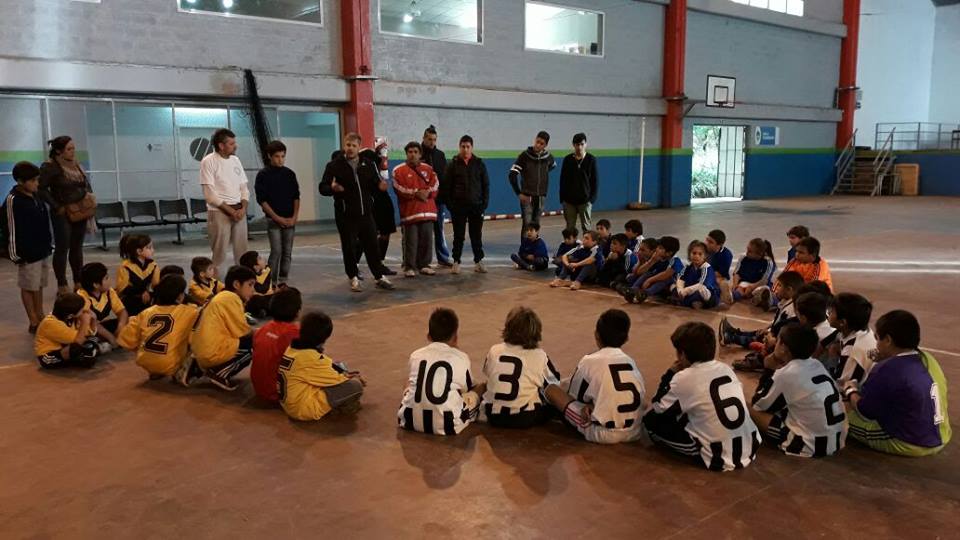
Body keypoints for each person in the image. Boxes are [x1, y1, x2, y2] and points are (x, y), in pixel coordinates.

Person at [643, 322, 761, 471]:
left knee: (651, 422)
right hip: (750, 444)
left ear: (683, 355)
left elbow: (658, 408)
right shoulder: (725, 369)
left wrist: (670, 373)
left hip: (717, 454)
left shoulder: (684, 377)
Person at [845, 310, 951, 456]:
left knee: (839, 413)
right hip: (942, 435)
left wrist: (851, 390)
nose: (876, 344)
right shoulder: (928, 358)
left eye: (878, 339)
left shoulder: (886, 369)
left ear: (888, 340)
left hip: (912, 442)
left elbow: (865, 411)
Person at [545, 309, 645, 444]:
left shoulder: (589, 361)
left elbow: (573, 396)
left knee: (552, 390)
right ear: (626, 338)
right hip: (635, 431)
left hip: (603, 433)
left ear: (596, 335)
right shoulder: (630, 362)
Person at [750, 323, 847, 457]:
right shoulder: (816, 364)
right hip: (836, 439)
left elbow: (759, 404)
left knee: (749, 408)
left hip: (809, 445)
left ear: (783, 347)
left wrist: (768, 370)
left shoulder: (787, 374)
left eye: (777, 341)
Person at [319, 132, 395, 292]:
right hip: (346, 216)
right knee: (349, 247)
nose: (350, 148)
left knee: (373, 246)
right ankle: (353, 276)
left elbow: (375, 184)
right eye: (348, 145)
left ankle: (379, 276)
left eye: (354, 145)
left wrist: (380, 186)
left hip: (366, 215)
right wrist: (332, 188)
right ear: (344, 145)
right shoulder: (334, 166)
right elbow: (322, 187)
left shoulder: (367, 164)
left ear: (359, 147)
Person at [398, 308, 486, 435]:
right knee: (479, 389)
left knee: (409, 383)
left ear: (428, 336)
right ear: (455, 337)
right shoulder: (461, 357)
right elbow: (467, 388)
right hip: (448, 424)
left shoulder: (415, 355)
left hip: (409, 420)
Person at [278, 311, 366, 421]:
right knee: (355, 386)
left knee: (338, 366)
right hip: (302, 409)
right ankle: (341, 407)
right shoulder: (311, 358)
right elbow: (339, 380)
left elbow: (325, 364)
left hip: (291, 403)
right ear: (324, 338)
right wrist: (352, 376)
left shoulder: (292, 348)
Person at [483, 306, 561, 428]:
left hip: (493, 416)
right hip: (524, 417)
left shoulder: (494, 350)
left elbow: (488, 372)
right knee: (552, 397)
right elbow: (554, 383)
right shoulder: (539, 355)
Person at [118, 275, 200, 382]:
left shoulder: (146, 312)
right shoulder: (190, 311)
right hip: (172, 363)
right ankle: (180, 370)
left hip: (145, 362)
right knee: (198, 333)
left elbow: (125, 341)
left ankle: (156, 368)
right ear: (180, 297)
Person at [38, 136, 93, 294]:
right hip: (62, 213)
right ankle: (62, 284)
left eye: (73, 148)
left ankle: (78, 281)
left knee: (77, 248)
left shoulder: (76, 166)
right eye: (69, 149)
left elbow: (84, 184)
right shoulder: (50, 167)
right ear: (58, 151)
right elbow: (41, 189)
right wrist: (56, 206)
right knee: (63, 248)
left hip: (79, 210)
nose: (72, 152)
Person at [189, 265, 257, 391]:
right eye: (250, 285)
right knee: (252, 345)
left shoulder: (223, 296)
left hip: (200, 349)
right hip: (210, 351)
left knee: (248, 340)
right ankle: (219, 374)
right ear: (237, 284)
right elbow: (244, 332)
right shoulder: (230, 298)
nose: (253, 290)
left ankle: (200, 367)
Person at [5, 161, 53, 333]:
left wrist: (48, 244)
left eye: (37, 180)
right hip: (27, 252)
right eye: (32, 181)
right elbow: (9, 228)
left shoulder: (36, 196)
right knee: (28, 286)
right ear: (20, 181)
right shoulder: (13, 200)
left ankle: (40, 314)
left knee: (39, 284)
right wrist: (16, 254)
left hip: (42, 249)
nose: (36, 183)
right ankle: (33, 320)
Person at [199, 128, 250, 277]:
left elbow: (244, 188)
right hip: (219, 212)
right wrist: (230, 211)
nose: (236, 146)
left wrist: (243, 208)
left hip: (239, 212)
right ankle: (216, 286)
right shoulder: (208, 161)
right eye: (232, 143)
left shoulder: (236, 160)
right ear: (221, 145)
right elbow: (210, 195)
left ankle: (242, 283)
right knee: (219, 254)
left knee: (242, 252)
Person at [255, 140, 300, 288]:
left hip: (289, 220)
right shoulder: (263, 175)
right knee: (276, 251)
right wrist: (277, 218)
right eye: (277, 156)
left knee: (287, 252)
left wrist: (294, 217)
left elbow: (296, 197)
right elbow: (262, 200)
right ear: (269, 156)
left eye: (282, 156)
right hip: (274, 220)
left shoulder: (289, 174)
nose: (280, 159)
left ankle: (282, 280)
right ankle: (270, 282)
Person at [442, 135, 489, 274]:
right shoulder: (453, 164)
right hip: (458, 207)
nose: (465, 149)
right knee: (459, 236)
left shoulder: (479, 163)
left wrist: (484, 204)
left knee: (476, 235)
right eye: (463, 146)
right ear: (459, 147)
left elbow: (486, 185)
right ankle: (456, 262)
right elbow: (446, 186)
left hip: (476, 206)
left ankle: (478, 262)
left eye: (468, 146)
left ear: (472, 147)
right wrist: (451, 205)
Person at [392, 141, 439, 277]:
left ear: (420, 154)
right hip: (410, 213)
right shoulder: (398, 171)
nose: (413, 154)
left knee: (427, 239)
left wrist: (427, 193)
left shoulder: (428, 169)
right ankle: (409, 267)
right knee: (410, 241)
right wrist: (415, 193)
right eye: (410, 152)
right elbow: (398, 187)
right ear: (406, 154)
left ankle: (425, 264)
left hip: (428, 211)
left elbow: (435, 184)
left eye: (415, 152)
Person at [251, 287, 302, 403]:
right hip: (279, 394)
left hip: (259, 389)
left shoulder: (262, 329)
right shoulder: (295, 333)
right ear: (298, 312)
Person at [34, 292, 102, 369]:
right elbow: (79, 341)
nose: (84, 312)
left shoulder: (69, 318)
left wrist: (93, 320)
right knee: (76, 348)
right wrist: (85, 322)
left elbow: (88, 334)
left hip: (64, 347)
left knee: (91, 340)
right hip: (49, 357)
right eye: (81, 310)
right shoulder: (51, 323)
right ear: (71, 315)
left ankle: (82, 357)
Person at [509, 130, 556, 238]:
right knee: (527, 224)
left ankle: (535, 250)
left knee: (536, 224)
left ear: (546, 145)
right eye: (537, 141)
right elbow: (512, 175)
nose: (538, 145)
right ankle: (524, 250)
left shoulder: (548, 158)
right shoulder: (524, 156)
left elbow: (552, 166)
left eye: (541, 143)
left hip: (541, 196)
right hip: (527, 196)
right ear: (535, 140)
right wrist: (518, 193)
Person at [826, 292, 877, 387]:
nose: (828, 313)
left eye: (832, 311)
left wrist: (832, 360)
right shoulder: (862, 329)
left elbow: (842, 386)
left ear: (842, 322)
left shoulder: (852, 351)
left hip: (858, 392)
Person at [421, 125, 453, 267]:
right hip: (422, 201)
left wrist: (445, 197)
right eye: (429, 139)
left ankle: (443, 257)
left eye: (434, 139)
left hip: (438, 201)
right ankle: (423, 261)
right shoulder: (417, 153)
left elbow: (444, 178)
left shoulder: (440, 155)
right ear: (424, 138)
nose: (432, 142)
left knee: (439, 229)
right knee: (424, 233)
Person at [78, 262, 128, 348]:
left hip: (100, 327)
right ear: (96, 284)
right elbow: (92, 323)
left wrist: (120, 328)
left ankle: (106, 343)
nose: (110, 280)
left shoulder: (109, 292)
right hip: (87, 330)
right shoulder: (82, 297)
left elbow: (122, 311)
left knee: (131, 321)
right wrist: (111, 338)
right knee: (88, 344)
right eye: (106, 278)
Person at [621, 235, 682, 304]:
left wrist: (649, 280)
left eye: (660, 248)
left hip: (671, 284)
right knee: (648, 273)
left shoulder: (675, 260)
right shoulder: (658, 258)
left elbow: (666, 275)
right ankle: (633, 289)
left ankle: (645, 293)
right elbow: (639, 272)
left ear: (669, 253)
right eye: (658, 247)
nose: (657, 250)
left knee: (666, 279)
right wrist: (652, 260)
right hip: (657, 281)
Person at [559, 133, 598, 234]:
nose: (579, 147)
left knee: (586, 227)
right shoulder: (567, 159)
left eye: (582, 144)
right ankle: (570, 248)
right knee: (569, 228)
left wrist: (591, 199)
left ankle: (588, 247)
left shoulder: (591, 160)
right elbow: (563, 179)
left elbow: (595, 180)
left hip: (585, 201)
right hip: (569, 201)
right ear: (573, 145)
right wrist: (562, 198)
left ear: (586, 144)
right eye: (577, 144)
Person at [116, 234, 160, 317]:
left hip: (146, 299)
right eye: (149, 248)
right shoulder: (125, 266)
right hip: (130, 301)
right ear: (139, 251)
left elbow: (156, 285)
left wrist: (149, 293)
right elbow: (122, 288)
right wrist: (141, 292)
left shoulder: (153, 265)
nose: (153, 250)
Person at [730, 238, 777, 309]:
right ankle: (732, 295)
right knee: (739, 289)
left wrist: (752, 287)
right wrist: (735, 285)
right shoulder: (743, 258)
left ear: (759, 254)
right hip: (744, 283)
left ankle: (766, 300)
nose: (746, 252)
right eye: (747, 249)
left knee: (763, 290)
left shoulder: (767, 262)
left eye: (750, 251)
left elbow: (764, 280)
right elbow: (736, 273)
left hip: (758, 284)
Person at [672, 240, 720, 309]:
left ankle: (687, 302)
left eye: (700, 254)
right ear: (689, 254)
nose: (696, 256)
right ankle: (691, 302)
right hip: (690, 291)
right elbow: (680, 280)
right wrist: (680, 291)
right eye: (694, 253)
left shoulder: (706, 267)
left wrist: (686, 291)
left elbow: (701, 285)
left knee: (700, 291)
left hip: (708, 295)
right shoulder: (687, 267)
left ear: (705, 256)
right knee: (674, 287)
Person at [239, 250, 274, 319]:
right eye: (260, 258)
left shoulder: (267, 270)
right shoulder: (247, 276)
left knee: (280, 297)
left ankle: (265, 311)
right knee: (254, 301)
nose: (263, 259)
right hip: (255, 298)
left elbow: (265, 288)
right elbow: (261, 289)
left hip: (268, 296)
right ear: (255, 267)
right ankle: (264, 311)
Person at [705, 229, 733, 303]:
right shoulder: (704, 250)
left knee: (719, 282)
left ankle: (727, 294)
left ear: (719, 245)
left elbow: (720, 273)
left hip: (719, 277)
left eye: (710, 242)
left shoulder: (726, 255)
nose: (707, 243)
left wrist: (703, 273)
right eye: (707, 240)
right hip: (706, 273)